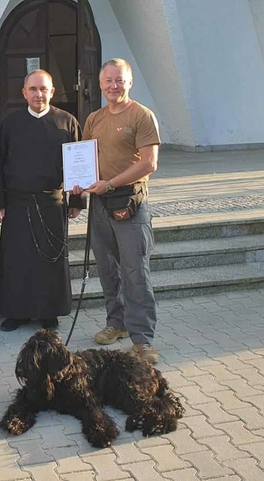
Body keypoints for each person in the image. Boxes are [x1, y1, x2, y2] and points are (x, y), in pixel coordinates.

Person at [78, 58, 162, 364]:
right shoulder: (94, 119)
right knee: (107, 269)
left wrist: (110, 183)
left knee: (135, 273)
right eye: (108, 81)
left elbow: (149, 163)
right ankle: (117, 323)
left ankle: (143, 340)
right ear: (100, 84)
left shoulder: (142, 115)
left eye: (120, 80)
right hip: (100, 203)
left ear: (130, 82)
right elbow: (85, 158)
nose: (114, 86)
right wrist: (78, 182)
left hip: (130, 202)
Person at [0, 69, 81, 332]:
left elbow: (78, 164)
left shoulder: (67, 122)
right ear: (24, 93)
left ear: (52, 92)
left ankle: (49, 312)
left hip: (51, 202)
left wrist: (76, 200)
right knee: (17, 260)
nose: (38, 94)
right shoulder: (11, 123)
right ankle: (15, 312)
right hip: (17, 203)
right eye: (33, 89)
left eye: (43, 89)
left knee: (50, 260)